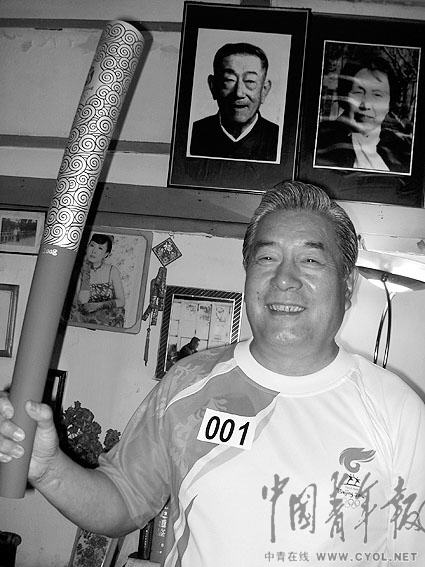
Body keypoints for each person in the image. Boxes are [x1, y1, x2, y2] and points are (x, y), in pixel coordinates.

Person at [1, 181, 425, 566]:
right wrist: (49, 468)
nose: (284, 279)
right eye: (267, 257)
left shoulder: (397, 410)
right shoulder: (188, 382)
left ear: (347, 286)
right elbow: (122, 501)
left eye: (311, 259)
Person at [315, 56, 412, 173]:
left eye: (377, 95)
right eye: (358, 92)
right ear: (344, 97)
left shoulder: (403, 151)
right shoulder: (321, 142)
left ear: (389, 104)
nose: (366, 105)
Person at [190, 42, 279, 162]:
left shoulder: (279, 139)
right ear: (213, 86)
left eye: (250, 81)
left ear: (264, 90)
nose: (238, 93)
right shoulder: (192, 134)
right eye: (229, 80)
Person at [70, 233, 125, 328]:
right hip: (85, 316)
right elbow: (82, 300)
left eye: (100, 248)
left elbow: (121, 301)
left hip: (107, 317)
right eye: (92, 245)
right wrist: (86, 272)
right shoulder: (80, 270)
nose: (94, 251)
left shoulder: (112, 270)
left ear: (106, 254)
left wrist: (99, 305)